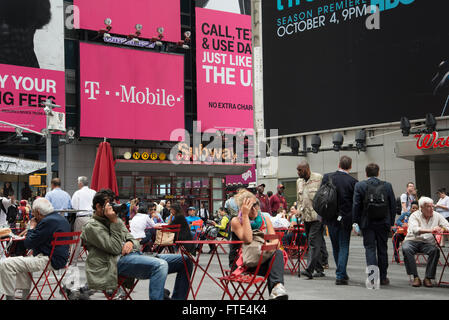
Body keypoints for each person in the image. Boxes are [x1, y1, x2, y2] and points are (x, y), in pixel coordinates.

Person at [81, 190, 192, 300]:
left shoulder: (113, 220)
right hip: (113, 263)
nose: (113, 208)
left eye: (113, 204)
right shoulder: (92, 226)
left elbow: (134, 240)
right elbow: (114, 248)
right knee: (160, 265)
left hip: (135, 255)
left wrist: (129, 242)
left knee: (185, 261)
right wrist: (114, 222)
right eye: (109, 205)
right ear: (99, 207)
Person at [0, 198, 70, 300]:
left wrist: (32, 227)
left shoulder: (47, 222)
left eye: (33, 212)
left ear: (37, 212)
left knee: (5, 264)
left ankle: (10, 298)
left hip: (49, 260)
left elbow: (28, 243)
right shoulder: (62, 220)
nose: (32, 215)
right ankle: (24, 297)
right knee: (21, 262)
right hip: (60, 258)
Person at [229, 189, 288, 300]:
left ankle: (277, 289)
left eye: (255, 204)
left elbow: (275, 240)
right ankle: (277, 289)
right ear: (242, 208)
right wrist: (245, 216)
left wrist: (268, 247)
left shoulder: (265, 218)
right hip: (243, 263)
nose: (255, 209)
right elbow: (248, 239)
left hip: (261, 258)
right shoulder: (236, 221)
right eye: (250, 206)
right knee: (275, 266)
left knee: (277, 254)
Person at [353, 163, 396, 286]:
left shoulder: (360, 186)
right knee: (383, 249)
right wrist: (391, 222)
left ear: (366, 173)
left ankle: (373, 278)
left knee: (370, 249)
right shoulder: (387, 186)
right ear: (378, 173)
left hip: (367, 223)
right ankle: (383, 277)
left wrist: (355, 222)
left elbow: (356, 205)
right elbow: (392, 205)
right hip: (383, 222)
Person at [320, 156, 358, 285]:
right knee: (344, 246)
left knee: (336, 246)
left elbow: (321, 197)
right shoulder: (353, 182)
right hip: (345, 219)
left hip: (330, 218)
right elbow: (355, 203)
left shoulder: (327, 177)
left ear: (339, 164)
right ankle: (340, 275)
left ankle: (341, 272)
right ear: (350, 166)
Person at [402, 196, 449, 287]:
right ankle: (415, 277)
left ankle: (428, 277)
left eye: (432, 206)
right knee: (406, 248)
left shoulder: (437, 215)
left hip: (428, 243)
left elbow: (447, 226)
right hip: (412, 240)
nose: (431, 209)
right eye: (428, 207)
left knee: (435, 251)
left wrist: (442, 229)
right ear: (421, 208)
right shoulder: (414, 215)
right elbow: (415, 230)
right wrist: (432, 230)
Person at [295, 161, 325, 279]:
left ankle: (309, 270)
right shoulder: (299, 182)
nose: (298, 173)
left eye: (300, 170)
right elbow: (299, 199)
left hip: (317, 217)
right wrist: (298, 210)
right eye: (297, 170)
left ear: (307, 169)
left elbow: (324, 197)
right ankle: (319, 269)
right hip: (305, 217)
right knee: (311, 242)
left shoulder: (319, 178)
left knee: (313, 241)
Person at [71, 176, 96, 260]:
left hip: (81, 217)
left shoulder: (77, 193)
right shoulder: (93, 192)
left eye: (78, 182)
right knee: (92, 239)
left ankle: (73, 260)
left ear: (81, 183)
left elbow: (74, 207)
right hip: (92, 217)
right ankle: (93, 259)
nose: (78, 184)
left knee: (77, 240)